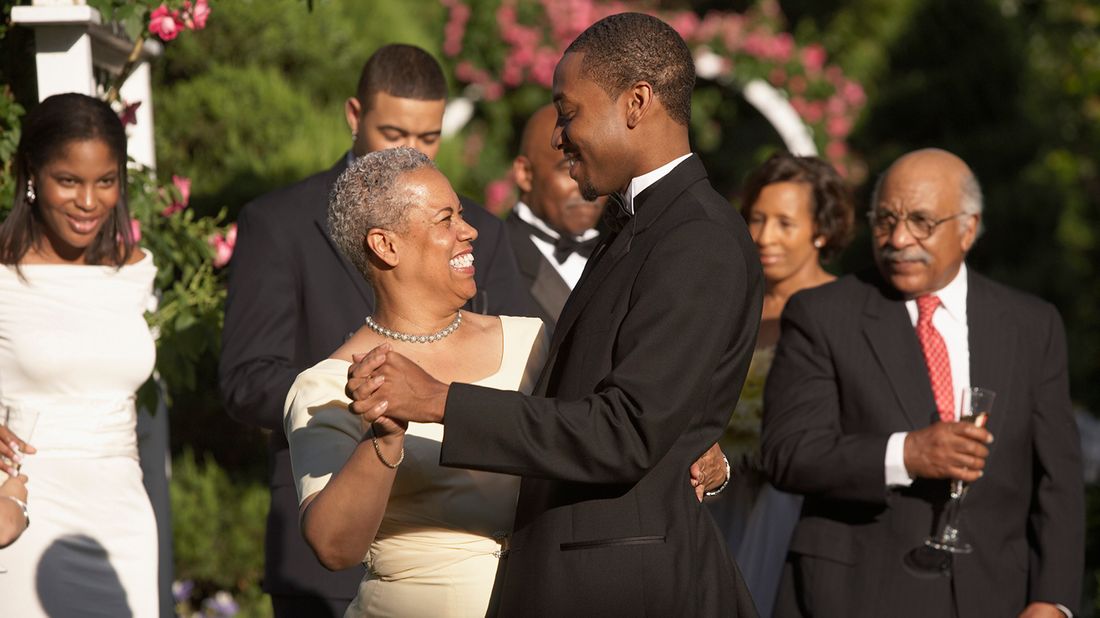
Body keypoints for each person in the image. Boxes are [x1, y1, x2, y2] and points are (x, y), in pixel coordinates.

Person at [347, 13, 762, 615]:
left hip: (623, 587)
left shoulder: (696, 237)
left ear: (636, 103)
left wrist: (441, 400)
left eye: (568, 113)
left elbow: (626, 432)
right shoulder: (643, 225)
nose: (559, 136)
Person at [219, 44, 532, 616]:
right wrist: (352, 389)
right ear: (354, 115)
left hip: (506, 557)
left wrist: (441, 385)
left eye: (429, 137)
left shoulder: (479, 230)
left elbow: (530, 371)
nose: (411, 150)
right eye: (393, 132)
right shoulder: (278, 221)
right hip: (333, 524)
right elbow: (246, 379)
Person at [761, 148, 1083, 618]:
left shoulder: (1031, 325)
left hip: (997, 598)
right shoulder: (824, 315)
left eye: (921, 221)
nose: (898, 238)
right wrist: (906, 454)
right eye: (885, 220)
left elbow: (1059, 479)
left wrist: (1051, 600)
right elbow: (788, 454)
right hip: (857, 594)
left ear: (968, 229)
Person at [282, 147, 545, 616]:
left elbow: (597, 435)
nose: (470, 231)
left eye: (461, 214)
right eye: (446, 219)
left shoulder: (531, 342)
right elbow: (334, 549)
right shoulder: (327, 387)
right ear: (385, 246)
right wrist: (383, 438)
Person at [0, 92, 159, 616]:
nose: (89, 202)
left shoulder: (134, 271)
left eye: (105, 181)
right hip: (23, 507)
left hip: (123, 516)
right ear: (32, 175)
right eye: (68, 180)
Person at [708, 153, 853, 617]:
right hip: (716, 500)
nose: (765, 237)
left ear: (822, 230)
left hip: (798, 508)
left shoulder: (847, 311)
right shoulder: (731, 304)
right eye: (757, 219)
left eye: (785, 224)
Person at [505, 104, 603, 332]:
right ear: (525, 173)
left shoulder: (625, 254)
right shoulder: (488, 259)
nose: (589, 188)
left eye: (599, 168)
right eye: (570, 168)